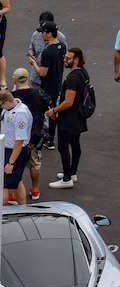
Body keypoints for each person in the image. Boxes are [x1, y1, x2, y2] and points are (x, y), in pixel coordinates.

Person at [47, 47, 89, 190]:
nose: (65, 60)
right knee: (75, 143)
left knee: (63, 146)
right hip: (79, 116)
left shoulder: (73, 78)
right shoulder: (83, 73)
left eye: (68, 58)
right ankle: (72, 173)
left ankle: (66, 179)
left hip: (69, 118)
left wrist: (54, 110)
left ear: (76, 59)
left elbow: (68, 102)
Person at [11, 69, 48, 200]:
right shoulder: (38, 94)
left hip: (17, 138)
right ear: (27, 78)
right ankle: (35, 189)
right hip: (35, 134)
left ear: (15, 80)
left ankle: (14, 193)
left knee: (14, 164)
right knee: (35, 164)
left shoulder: (12, 97)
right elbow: (45, 107)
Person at [0, 90, 32, 205]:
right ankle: (23, 207)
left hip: (16, 152)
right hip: (7, 149)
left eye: (1, 105)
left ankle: (1, 215)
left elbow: (19, 141)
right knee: (17, 181)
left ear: (7, 102)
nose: (0, 107)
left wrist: (11, 163)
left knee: (3, 185)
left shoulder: (20, 114)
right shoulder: (8, 108)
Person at [29, 21, 66, 115]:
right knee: (53, 112)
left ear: (49, 34)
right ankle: (52, 129)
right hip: (57, 85)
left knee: (42, 113)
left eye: (43, 32)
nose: (41, 34)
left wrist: (34, 63)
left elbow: (42, 73)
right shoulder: (62, 46)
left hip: (47, 89)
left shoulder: (47, 52)